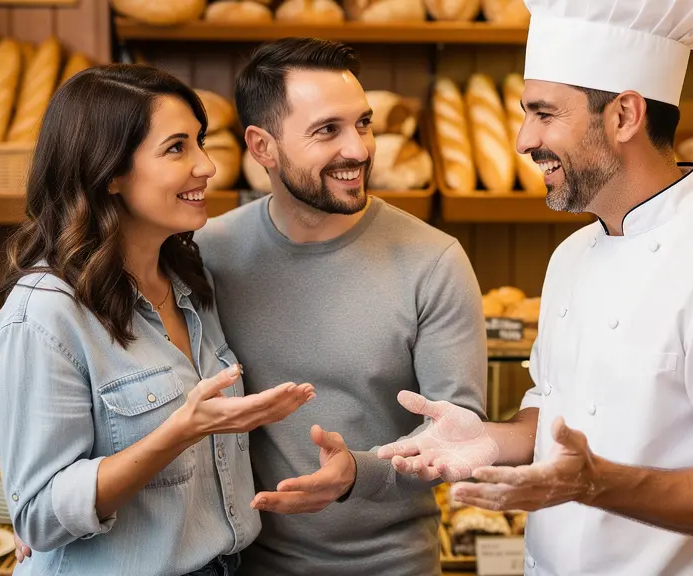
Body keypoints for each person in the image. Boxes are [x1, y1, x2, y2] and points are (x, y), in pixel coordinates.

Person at [378, 1, 693, 574]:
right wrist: (490, 440)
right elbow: (558, 413)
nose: (521, 140)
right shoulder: (571, 257)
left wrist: (595, 485)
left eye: (543, 114)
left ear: (624, 116)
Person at [0, 64, 314, 576]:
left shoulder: (189, 279)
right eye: (176, 148)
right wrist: (179, 431)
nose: (207, 166)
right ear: (108, 171)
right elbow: (37, 518)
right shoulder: (43, 314)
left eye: (200, 142)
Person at [192, 37, 488, 576]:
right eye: (328, 130)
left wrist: (360, 472)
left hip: (393, 565)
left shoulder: (434, 260)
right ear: (262, 147)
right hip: (239, 564)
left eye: (364, 123)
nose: (359, 149)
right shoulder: (208, 254)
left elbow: (459, 432)